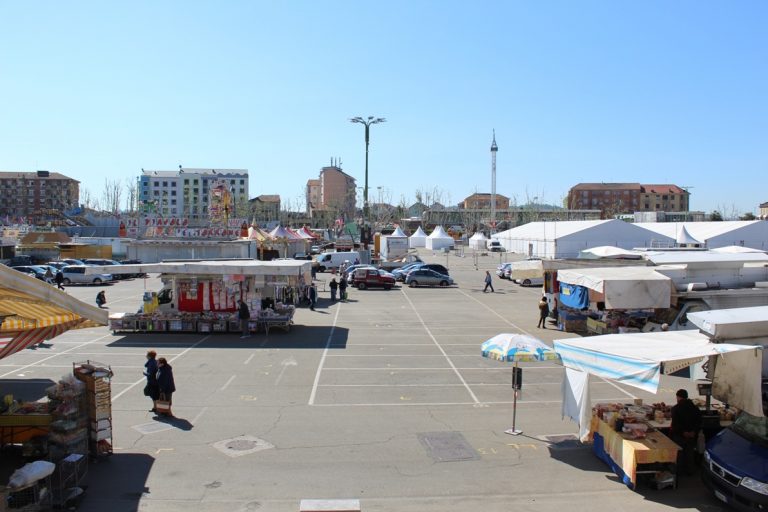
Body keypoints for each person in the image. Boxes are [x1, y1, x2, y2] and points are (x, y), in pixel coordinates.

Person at [670, 388, 702, 475]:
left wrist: (683, 433)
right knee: (690, 453)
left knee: (679, 454)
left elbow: (675, 425)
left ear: (678, 397)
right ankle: (690, 471)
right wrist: (693, 432)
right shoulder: (695, 408)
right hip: (692, 435)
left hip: (680, 435)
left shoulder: (675, 409)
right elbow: (699, 422)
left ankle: (679, 472)